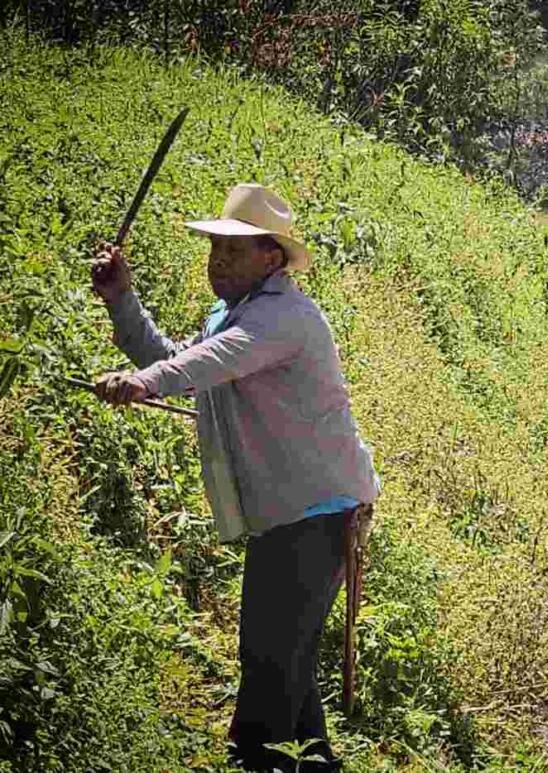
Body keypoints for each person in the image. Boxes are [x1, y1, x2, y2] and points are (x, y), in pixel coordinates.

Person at [90, 183, 380, 771]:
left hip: (318, 513)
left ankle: (253, 761)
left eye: (234, 251)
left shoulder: (284, 318)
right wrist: (123, 300)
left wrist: (145, 384)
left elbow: (207, 363)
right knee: (286, 663)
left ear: (270, 259)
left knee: (270, 660)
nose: (217, 262)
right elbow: (179, 357)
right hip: (289, 516)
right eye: (215, 249)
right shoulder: (233, 314)